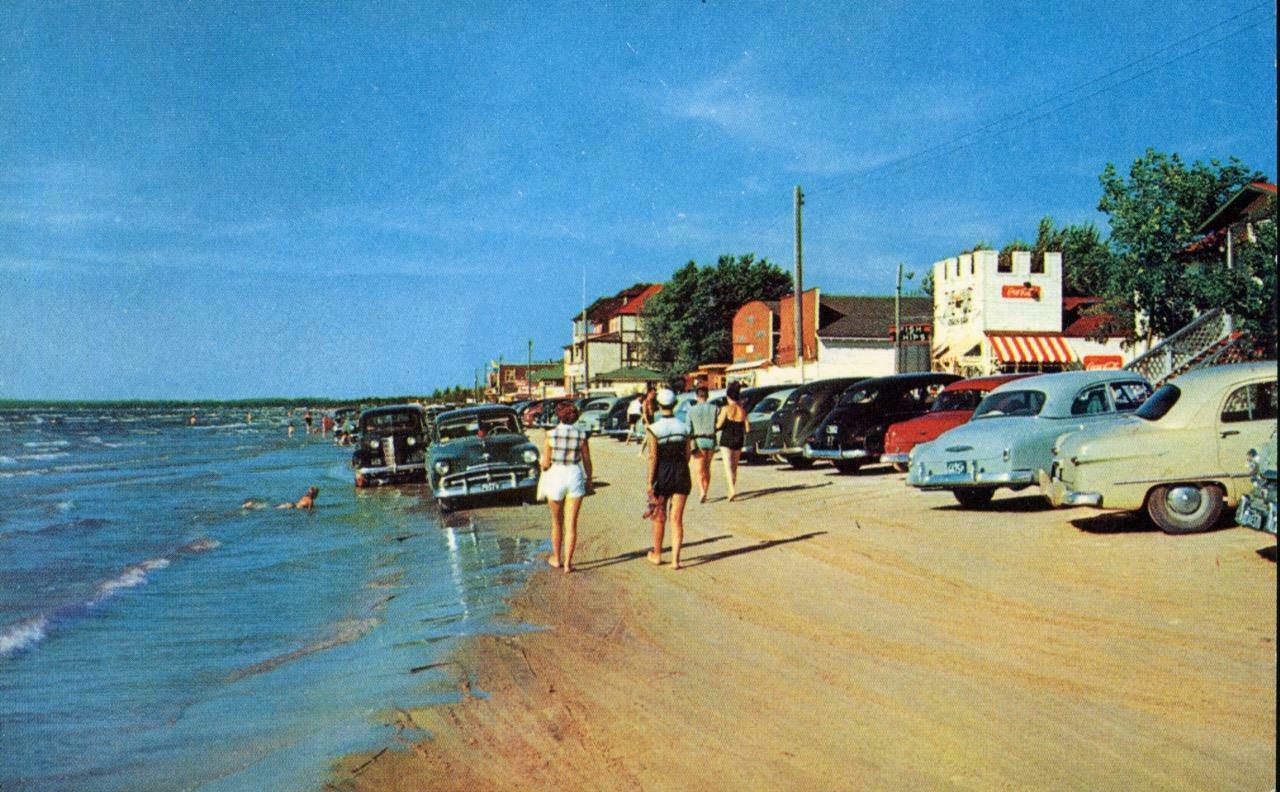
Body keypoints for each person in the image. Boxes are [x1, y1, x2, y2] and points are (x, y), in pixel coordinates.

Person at [540, 401, 592, 573]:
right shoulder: (581, 435)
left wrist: (543, 465)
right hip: (574, 475)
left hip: (556, 475)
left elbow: (545, 462)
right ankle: (569, 563)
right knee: (572, 524)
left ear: (558, 416)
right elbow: (586, 460)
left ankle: (557, 558)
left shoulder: (550, 435)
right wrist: (589, 478)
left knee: (557, 522)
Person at [646, 389, 691, 569]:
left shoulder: (654, 429)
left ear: (659, 405)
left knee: (659, 516)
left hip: (662, 475)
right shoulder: (684, 427)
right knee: (677, 518)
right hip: (681, 473)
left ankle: (657, 554)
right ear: (674, 404)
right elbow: (688, 454)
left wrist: (650, 481)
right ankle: (675, 560)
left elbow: (653, 457)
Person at [717, 381, 751, 501]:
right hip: (738, 438)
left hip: (726, 438)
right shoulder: (742, 411)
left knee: (727, 465)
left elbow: (718, 425)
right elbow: (747, 428)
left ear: (728, 396)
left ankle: (731, 489)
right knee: (734, 466)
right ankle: (732, 488)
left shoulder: (725, 409)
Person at [686, 385, 719, 502]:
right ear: (707, 396)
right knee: (707, 467)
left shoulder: (691, 410)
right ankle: (706, 489)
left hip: (698, 440)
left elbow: (688, 429)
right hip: (711, 439)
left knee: (699, 468)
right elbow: (718, 425)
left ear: (696, 396)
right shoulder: (715, 408)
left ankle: (702, 491)